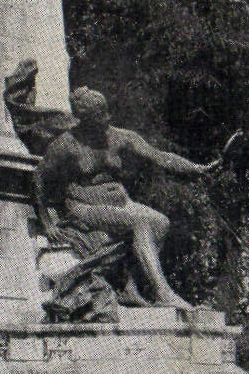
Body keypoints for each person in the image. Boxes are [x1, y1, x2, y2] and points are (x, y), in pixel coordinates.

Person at [35, 87, 229, 310]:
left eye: (106, 112)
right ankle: (163, 293)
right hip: (84, 206)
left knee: (161, 222)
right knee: (139, 222)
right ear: (84, 120)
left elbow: (161, 157)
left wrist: (196, 169)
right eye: (99, 117)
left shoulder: (119, 137)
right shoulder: (66, 144)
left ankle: (131, 288)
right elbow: (39, 177)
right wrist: (46, 222)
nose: (106, 119)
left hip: (120, 202)